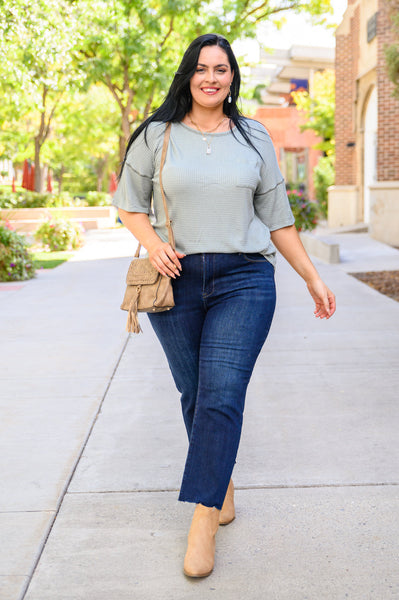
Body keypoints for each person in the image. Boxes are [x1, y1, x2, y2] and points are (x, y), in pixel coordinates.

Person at [112, 33, 336, 579]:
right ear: (188, 75)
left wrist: (310, 275)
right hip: (176, 279)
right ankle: (222, 482)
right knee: (195, 393)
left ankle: (203, 517)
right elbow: (128, 204)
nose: (212, 77)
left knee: (222, 393)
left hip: (245, 279)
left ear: (232, 78)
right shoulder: (156, 134)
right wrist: (156, 243)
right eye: (202, 68)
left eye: (222, 69)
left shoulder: (254, 136)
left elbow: (278, 216)